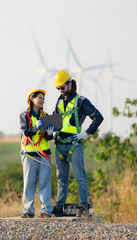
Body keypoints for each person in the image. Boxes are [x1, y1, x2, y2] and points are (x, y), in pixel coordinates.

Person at [52, 70, 103, 217]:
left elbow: (98, 117)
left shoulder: (81, 101)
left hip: (74, 143)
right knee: (61, 178)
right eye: (58, 88)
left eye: (62, 87)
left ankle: (84, 206)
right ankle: (59, 207)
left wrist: (86, 134)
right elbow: (56, 118)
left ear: (70, 84)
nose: (60, 91)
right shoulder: (59, 101)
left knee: (80, 176)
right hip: (60, 143)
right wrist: (51, 130)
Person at [19, 89, 55, 218]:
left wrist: (50, 132)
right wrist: (36, 127)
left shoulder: (46, 115)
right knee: (29, 181)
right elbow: (26, 132)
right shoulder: (24, 115)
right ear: (32, 99)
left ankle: (46, 210)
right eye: (39, 97)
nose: (42, 100)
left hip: (44, 153)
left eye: (43, 98)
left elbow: (49, 138)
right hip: (29, 153)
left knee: (45, 182)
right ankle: (28, 210)